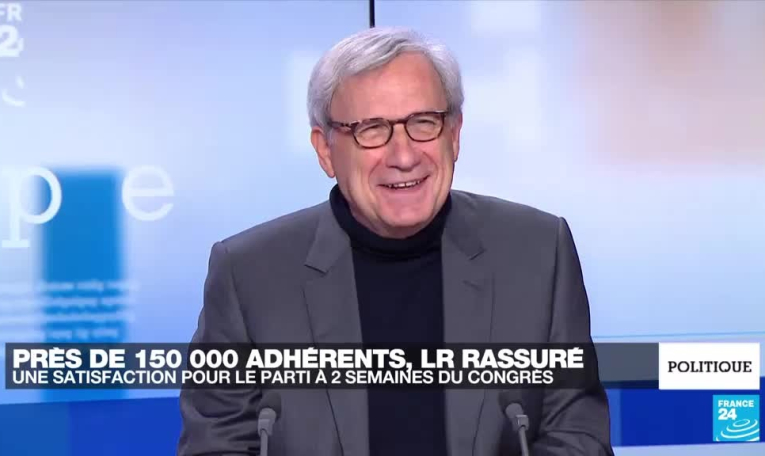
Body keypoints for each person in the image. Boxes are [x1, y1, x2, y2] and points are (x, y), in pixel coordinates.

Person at [178, 26, 614, 456]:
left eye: (424, 123)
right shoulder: (248, 275)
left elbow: (577, 436)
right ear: (325, 150)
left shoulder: (539, 252)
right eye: (371, 129)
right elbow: (216, 447)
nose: (404, 156)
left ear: (454, 134)